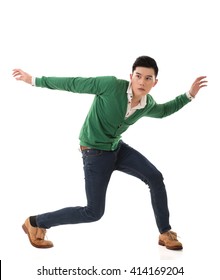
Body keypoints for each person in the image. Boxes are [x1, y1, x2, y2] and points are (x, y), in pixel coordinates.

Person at [12, 56, 207, 250]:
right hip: (94, 152)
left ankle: (165, 232)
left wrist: (190, 94)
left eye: (148, 78)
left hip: (116, 148)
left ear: (154, 83)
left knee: (155, 177)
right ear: (131, 76)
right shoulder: (110, 86)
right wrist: (34, 80)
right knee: (93, 212)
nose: (142, 81)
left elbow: (163, 111)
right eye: (138, 76)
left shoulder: (146, 103)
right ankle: (36, 222)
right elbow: (73, 83)